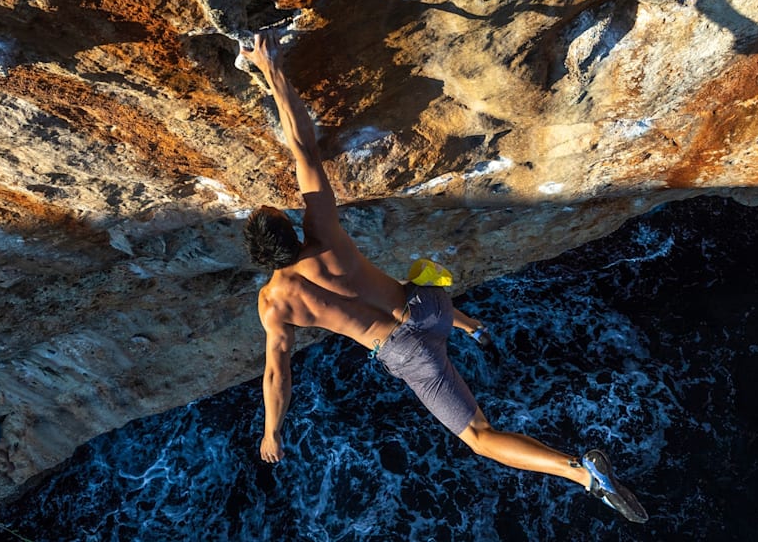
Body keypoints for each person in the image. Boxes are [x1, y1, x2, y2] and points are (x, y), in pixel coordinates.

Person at [239, 33, 648, 523]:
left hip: (406, 351)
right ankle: (469, 324)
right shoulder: (322, 233)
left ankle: (583, 474)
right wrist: (272, 69)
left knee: (478, 437)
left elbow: (276, 374)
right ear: (287, 228)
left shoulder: (275, 303)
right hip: (431, 308)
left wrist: (272, 431)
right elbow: (303, 147)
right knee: (413, 285)